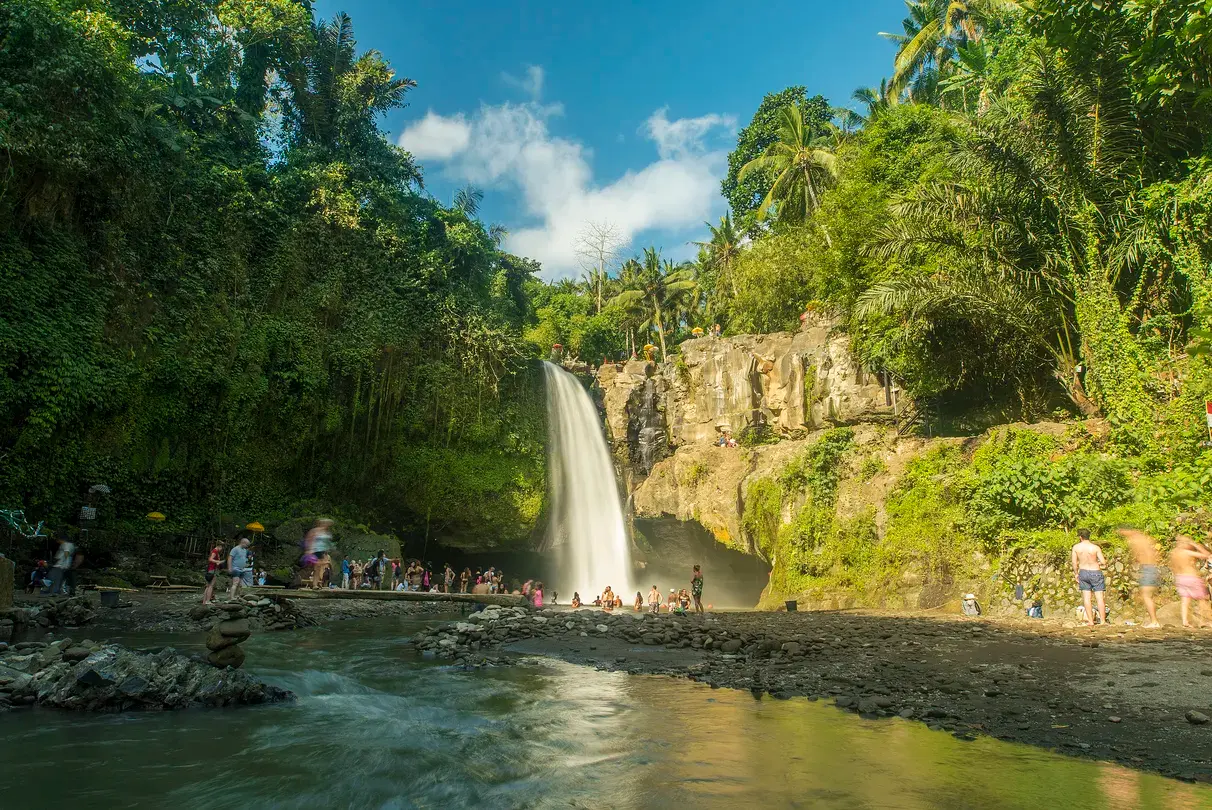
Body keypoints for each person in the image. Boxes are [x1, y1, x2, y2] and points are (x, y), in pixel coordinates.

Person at [1119, 527, 1160, 628]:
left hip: (1147, 569)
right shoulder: (1146, 539)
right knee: (1148, 596)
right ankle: (1153, 620)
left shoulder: (1137, 541)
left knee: (1146, 596)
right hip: (1152, 568)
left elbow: (1139, 556)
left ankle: (1154, 621)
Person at [1171, 536, 1211, 628]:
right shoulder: (1186, 552)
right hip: (1191, 577)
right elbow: (1207, 555)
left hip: (1180, 578)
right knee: (1203, 599)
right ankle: (1205, 620)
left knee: (1185, 600)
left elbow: (1173, 567)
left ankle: (1185, 621)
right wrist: (1195, 545)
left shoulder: (1174, 553)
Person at [1070, 528, 1107, 626]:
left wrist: (1076, 573)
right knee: (1099, 598)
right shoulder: (1095, 547)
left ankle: (1090, 621)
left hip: (1083, 572)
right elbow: (1103, 562)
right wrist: (1099, 563)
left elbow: (1074, 562)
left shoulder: (1076, 547)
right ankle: (1103, 621)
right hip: (1095, 571)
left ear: (1080, 537)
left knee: (1087, 598)